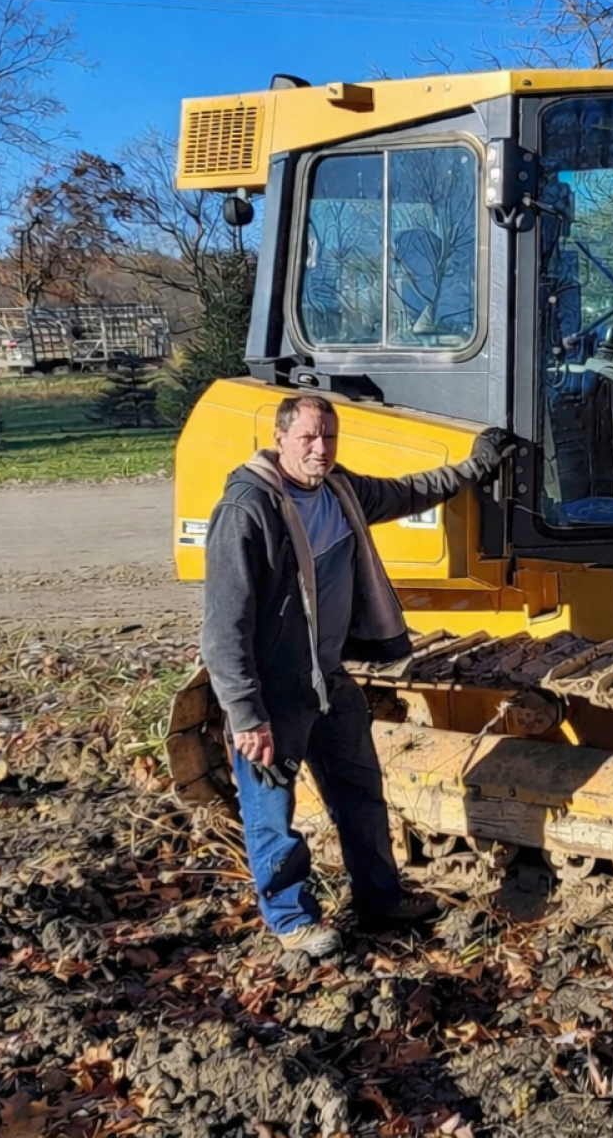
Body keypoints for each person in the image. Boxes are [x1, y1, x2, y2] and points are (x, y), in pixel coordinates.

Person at [200, 393, 511, 958]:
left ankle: (381, 899)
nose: (321, 450)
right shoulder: (248, 512)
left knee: (362, 797)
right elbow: (223, 627)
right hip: (275, 694)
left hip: (329, 680)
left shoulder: (338, 490)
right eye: (308, 440)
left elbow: (408, 491)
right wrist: (246, 714)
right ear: (280, 439)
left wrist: (475, 467)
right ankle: (293, 920)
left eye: (329, 438)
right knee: (273, 815)